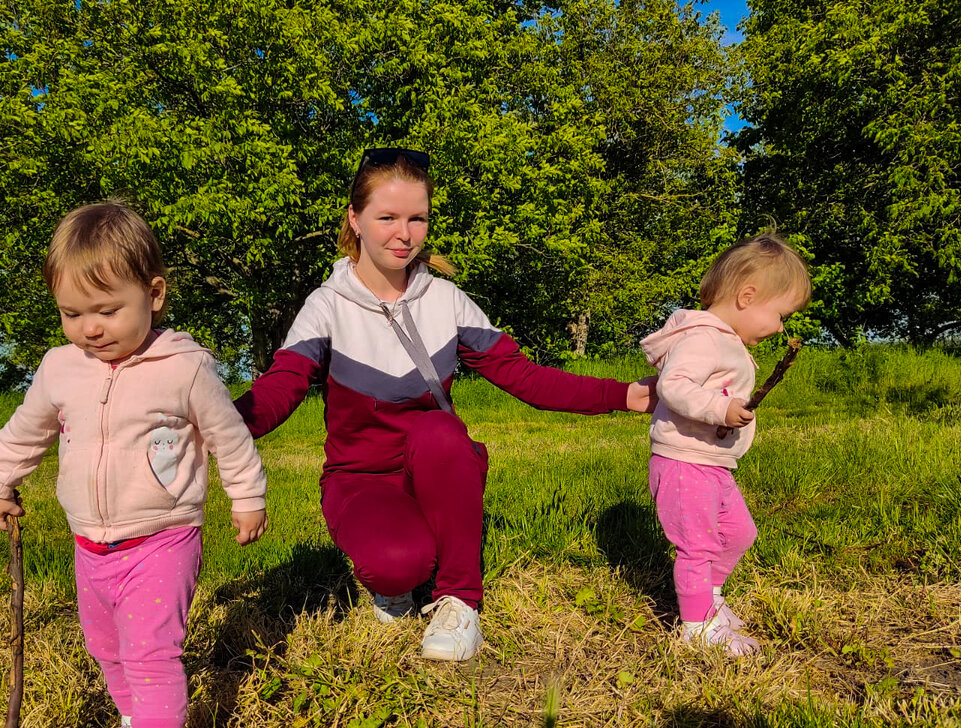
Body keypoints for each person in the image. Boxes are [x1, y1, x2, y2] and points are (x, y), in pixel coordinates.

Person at [235, 148, 655, 663]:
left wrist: (623, 394)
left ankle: (460, 602)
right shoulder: (326, 307)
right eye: (387, 217)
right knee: (398, 564)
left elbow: (523, 376)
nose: (404, 234)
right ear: (355, 219)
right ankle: (397, 580)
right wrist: (217, 424)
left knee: (438, 431)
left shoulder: (447, 301)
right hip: (359, 479)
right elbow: (282, 386)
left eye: (417, 218)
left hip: (437, 463)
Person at [0, 201, 267, 728]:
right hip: (90, 545)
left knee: (151, 652)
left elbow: (229, 436)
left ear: (154, 294)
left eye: (107, 310)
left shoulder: (184, 369)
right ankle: (135, 720)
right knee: (105, 647)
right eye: (72, 313)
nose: (90, 329)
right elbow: (26, 432)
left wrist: (246, 496)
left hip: (163, 537)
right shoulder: (60, 370)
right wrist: (0, 478)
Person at [640, 233, 811, 656]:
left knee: (739, 533)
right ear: (747, 296)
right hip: (683, 461)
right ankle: (697, 629)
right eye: (780, 315)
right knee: (697, 546)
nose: (781, 327)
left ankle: (711, 599)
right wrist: (721, 409)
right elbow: (673, 386)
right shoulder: (703, 338)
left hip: (712, 462)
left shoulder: (725, 339)